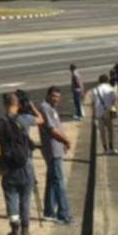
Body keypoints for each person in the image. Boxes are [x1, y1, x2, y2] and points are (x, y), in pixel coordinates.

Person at [0, 92, 43, 235]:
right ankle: (26, 229)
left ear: (4, 105)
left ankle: (15, 228)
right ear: (18, 105)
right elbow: (41, 120)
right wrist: (32, 107)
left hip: (8, 164)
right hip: (26, 163)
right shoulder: (25, 119)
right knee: (26, 197)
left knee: (11, 196)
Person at [39, 86, 73, 225]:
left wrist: (63, 141)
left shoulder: (50, 108)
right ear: (48, 95)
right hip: (53, 150)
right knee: (59, 182)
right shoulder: (45, 107)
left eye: (58, 97)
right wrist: (65, 140)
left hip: (56, 148)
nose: (56, 99)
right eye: (53, 96)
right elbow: (52, 129)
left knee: (52, 181)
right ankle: (63, 214)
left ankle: (48, 211)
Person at [92, 74, 118, 154]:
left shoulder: (95, 90)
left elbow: (93, 103)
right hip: (108, 111)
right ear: (107, 80)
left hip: (98, 112)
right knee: (110, 130)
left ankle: (105, 149)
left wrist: (93, 114)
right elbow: (114, 100)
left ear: (99, 81)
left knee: (102, 131)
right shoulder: (110, 88)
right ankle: (111, 147)